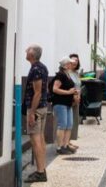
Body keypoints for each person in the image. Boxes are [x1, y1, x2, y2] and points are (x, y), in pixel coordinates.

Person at [24, 45, 49, 183]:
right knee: (40, 138)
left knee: (36, 140)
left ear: (32, 55)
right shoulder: (42, 67)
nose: (25, 52)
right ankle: (42, 169)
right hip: (42, 108)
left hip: (37, 109)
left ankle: (40, 173)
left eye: (28, 50)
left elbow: (37, 92)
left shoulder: (36, 69)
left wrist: (32, 113)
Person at [52, 58, 78, 155]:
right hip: (60, 103)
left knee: (69, 125)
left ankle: (65, 145)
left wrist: (74, 92)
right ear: (66, 65)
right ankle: (59, 147)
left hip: (68, 103)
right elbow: (55, 89)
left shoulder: (68, 74)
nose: (73, 64)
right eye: (71, 63)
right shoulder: (60, 75)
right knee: (62, 125)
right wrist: (68, 92)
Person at [68, 53, 83, 148]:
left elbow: (79, 86)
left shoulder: (77, 73)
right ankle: (65, 142)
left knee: (74, 121)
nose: (75, 62)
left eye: (76, 61)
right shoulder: (67, 73)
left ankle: (69, 141)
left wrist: (79, 96)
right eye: (73, 60)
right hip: (70, 99)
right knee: (68, 121)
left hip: (77, 100)